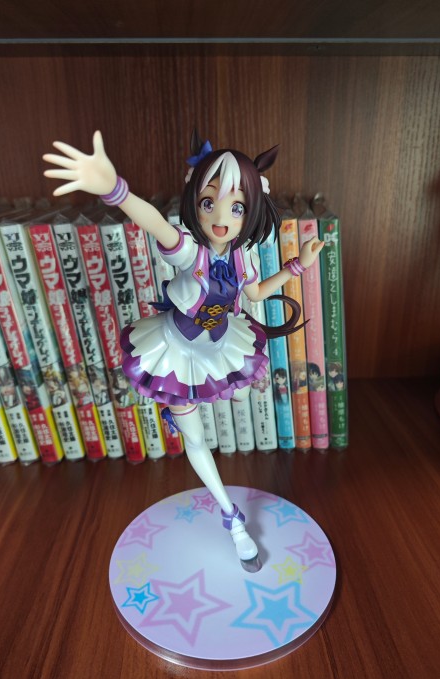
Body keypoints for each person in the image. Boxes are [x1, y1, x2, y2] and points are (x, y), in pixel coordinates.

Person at [44, 130, 323, 571]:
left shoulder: (244, 257)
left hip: (220, 343)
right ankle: (232, 519)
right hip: (176, 351)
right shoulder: (189, 251)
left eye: (236, 207)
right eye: (209, 202)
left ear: (251, 210)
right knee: (196, 439)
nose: (221, 217)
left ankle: (220, 486)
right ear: (195, 201)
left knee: (225, 407)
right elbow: (154, 222)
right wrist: (114, 189)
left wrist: (297, 266)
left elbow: (254, 294)